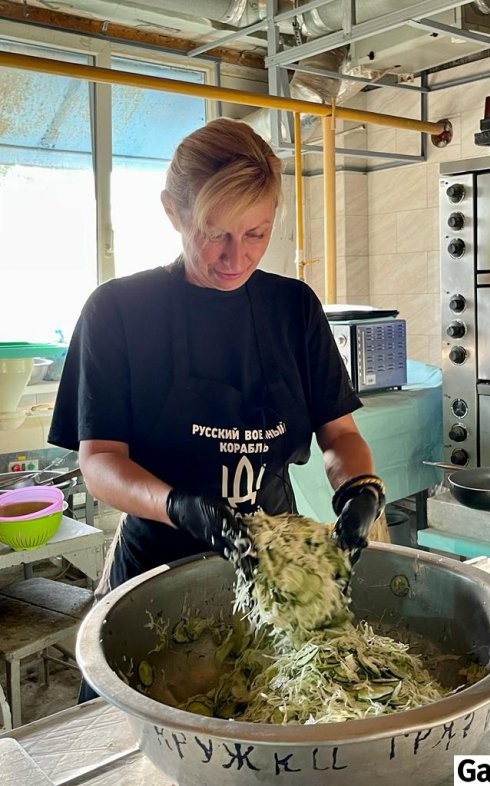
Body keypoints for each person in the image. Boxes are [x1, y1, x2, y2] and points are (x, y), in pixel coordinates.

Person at [48, 117, 385, 694]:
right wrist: (182, 506)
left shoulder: (293, 308)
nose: (236, 256)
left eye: (256, 233)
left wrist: (361, 490)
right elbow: (99, 461)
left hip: (279, 568)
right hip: (156, 565)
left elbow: (340, 436)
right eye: (215, 233)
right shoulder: (119, 311)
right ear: (173, 212)